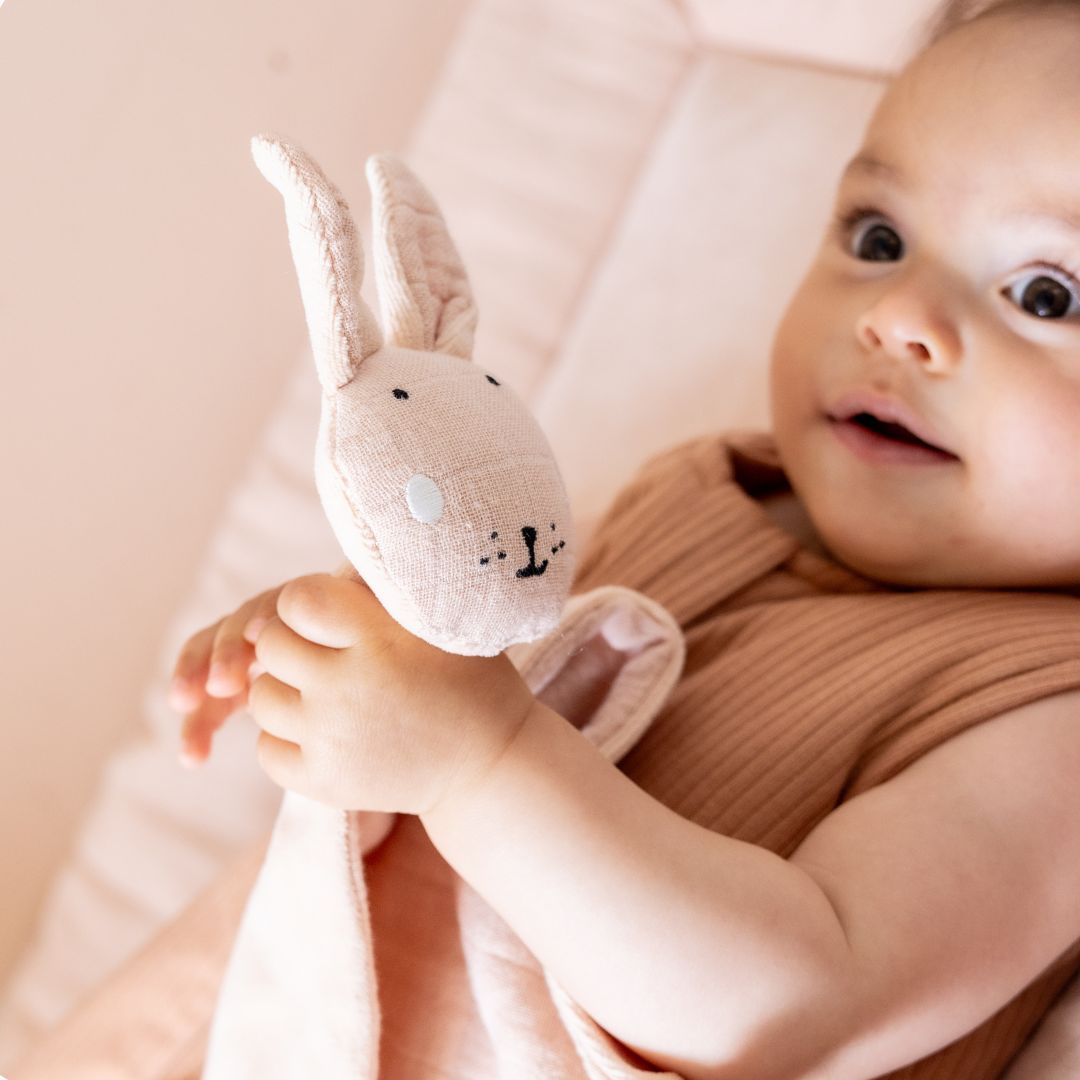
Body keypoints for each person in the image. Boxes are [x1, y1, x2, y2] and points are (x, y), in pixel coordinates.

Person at [167, 1, 1080, 1075]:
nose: (898, 317)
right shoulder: (695, 486)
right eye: (879, 239)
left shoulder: (1050, 719)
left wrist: (481, 760)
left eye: (1047, 293)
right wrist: (351, 646)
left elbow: (802, 1006)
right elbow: (477, 654)